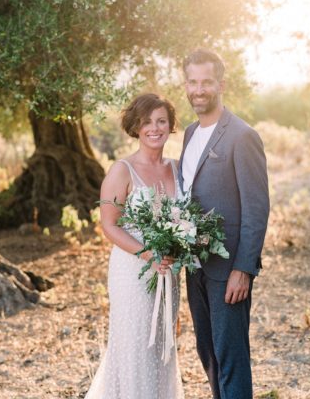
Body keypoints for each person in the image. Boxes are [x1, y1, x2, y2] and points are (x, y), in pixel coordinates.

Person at [179, 48, 269, 399]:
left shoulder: (242, 136)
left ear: (221, 84)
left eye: (206, 82)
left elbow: (256, 208)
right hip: (194, 266)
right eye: (192, 81)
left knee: (231, 358)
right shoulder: (188, 133)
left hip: (228, 269)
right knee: (209, 355)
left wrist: (243, 269)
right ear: (185, 85)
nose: (198, 89)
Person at [84, 93, 184, 399]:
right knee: (135, 349)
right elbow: (109, 224)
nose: (155, 128)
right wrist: (148, 254)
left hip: (168, 271)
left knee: (162, 350)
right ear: (136, 127)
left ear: (170, 125)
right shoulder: (122, 170)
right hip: (133, 272)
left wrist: (175, 248)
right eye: (147, 122)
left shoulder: (179, 168)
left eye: (161, 121)